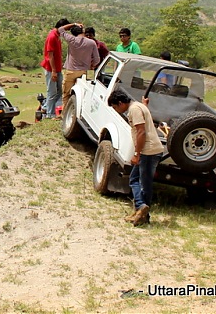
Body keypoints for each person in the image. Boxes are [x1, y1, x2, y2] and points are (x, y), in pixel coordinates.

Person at [107, 90, 162, 226]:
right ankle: (141, 212)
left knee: (141, 183)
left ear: (120, 103)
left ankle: (142, 208)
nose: (117, 111)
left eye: (115, 107)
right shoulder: (139, 106)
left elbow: (141, 132)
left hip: (148, 151)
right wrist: (145, 105)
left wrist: (137, 154)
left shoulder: (134, 110)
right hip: (151, 150)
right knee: (137, 180)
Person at [58, 22, 100, 107]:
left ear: (73, 33)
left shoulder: (71, 40)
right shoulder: (91, 43)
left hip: (71, 71)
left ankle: (65, 114)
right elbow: (97, 59)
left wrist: (73, 24)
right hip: (86, 71)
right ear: (83, 31)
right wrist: (92, 66)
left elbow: (60, 29)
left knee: (66, 94)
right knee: (87, 93)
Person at [40, 18, 70, 119]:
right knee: (52, 92)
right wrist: (53, 71)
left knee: (60, 91)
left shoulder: (57, 36)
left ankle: (45, 106)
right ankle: (50, 114)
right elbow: (50, 55)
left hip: (57, 69)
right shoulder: (52, 36)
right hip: (51, 68)